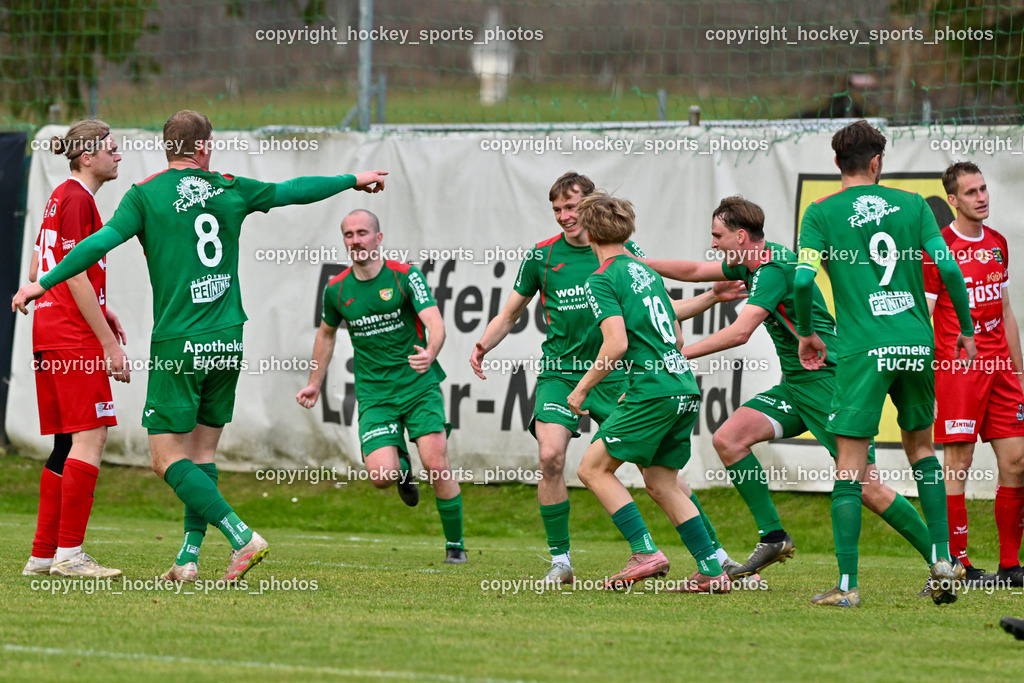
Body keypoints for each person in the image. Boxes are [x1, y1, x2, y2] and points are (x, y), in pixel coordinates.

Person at [13, 110, 388, 583]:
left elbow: (94, 247)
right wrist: (354, 178)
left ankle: (241, 537)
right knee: (201, 454)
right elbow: (294, 190)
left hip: (179, 342)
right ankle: (188, 559)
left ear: (170, 149)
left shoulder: (144, 196)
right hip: (228, 338)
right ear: (203, 147)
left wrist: (40, 283)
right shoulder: (230, 187)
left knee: (165, 457)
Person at [645, 196, 938, 587]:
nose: (713, 243)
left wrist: (680, 355)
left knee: (867, 486)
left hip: (828, 381)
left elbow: (740, 331)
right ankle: (774, 536)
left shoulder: (774, 269)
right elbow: (697, 269)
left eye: (717, 235)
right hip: (797, 385)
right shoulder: (748, 260)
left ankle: (941, 563)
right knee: (730, 439)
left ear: (741, 235)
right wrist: (638, 265)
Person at [470, 172, 739, 586]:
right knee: (555, 458)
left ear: (591, 210)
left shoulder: (615, 267)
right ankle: (565, 561)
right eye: (556, 209)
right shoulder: (551, 257)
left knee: (610, 471)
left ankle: (675, 553)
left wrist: (584, 388)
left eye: (572, 207)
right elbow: (663, 318)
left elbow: (620, 340)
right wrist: (484, 344)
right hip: (586, 375)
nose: (564, 216)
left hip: (620, 377)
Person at [793, 120, 976, 606]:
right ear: (878, 163)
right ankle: (942, 559)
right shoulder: (914, 205)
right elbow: (950, 267)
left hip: (864, 349)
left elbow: (802, 281)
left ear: (837, 164)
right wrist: (966, 329)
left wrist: (809, 334)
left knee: (850, 468)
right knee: (922, 451)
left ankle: (848, 588)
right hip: (916, 343)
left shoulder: (820, 213)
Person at [569, 191, 729, 593]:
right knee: (661, 482)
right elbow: (669, 329)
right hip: (682, 385)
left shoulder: (602, 279)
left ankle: (645, 552)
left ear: (588, 232)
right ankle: (712, 569)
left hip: (655, 389)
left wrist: (580, 390)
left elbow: (616, 344)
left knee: (592, 469)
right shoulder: (647, 273)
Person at [296, 209, 466, 563]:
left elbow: (435, 322)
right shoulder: (337, 289)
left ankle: (455, 546)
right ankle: (402, 469)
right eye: (348, 234)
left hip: (418, 385)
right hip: (375, 395)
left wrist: (431, 351)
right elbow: (326, 334)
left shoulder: (405, 277)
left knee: (436, 462)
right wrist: (314, 383)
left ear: (378, 237)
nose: (356, 241)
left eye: (362, 233)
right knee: (381, 477)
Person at [20, 120, 129, 578]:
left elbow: (36, 268)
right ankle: (70, 554)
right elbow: (76, 273)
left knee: (66, 441)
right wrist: (107, 343)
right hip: (70, 335)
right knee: (91, 436)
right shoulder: (79, 199)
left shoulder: (58, 196)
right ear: (88, 156)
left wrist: (102, 312)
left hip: (49, 329)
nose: (118, 155)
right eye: (111, 148)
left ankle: (42, 555)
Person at [924, 162, 1024, 588]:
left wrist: (1019, 372)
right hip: (958, 369)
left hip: (1001, 370)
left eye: (983, 189)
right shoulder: (938, 249)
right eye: (971, 192)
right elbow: (925, 314)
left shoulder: (998, 243)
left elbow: (1004, 309)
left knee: (1017, 462)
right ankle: (958, 562)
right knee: (958, 463)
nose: (981, 197)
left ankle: (1009, 565)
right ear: (953, 201)